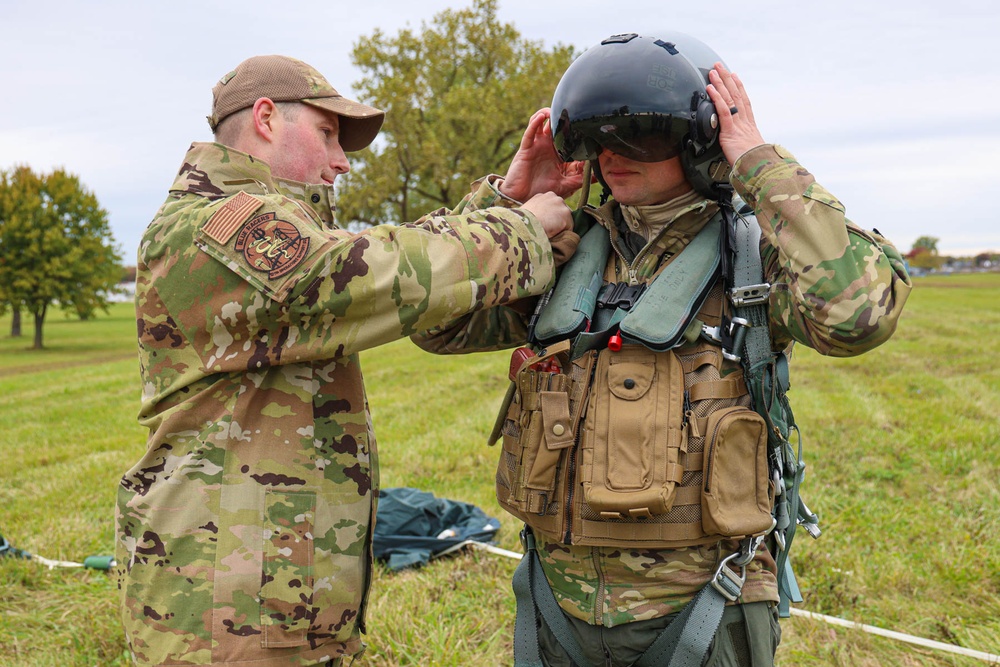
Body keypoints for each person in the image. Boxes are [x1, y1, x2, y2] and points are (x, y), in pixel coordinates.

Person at [413, 32, 912, 666]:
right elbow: (436, 322)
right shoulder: (558, 250)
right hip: (555, 602)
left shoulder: (753, 258)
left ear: (702, 140)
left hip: (701, 605)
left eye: (640, 135)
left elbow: (858, 314)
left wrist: (761, 167)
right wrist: (506, 205)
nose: (613, 155)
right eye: (599, 137)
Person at [114, 54, 580, 666]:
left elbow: (372, 272)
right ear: (264, 119)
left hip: (272, 595)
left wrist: (502, 198)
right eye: (328, 133)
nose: (341, 161)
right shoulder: (211, 226)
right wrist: (517, 228)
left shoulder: (268, 228)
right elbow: (351, 276)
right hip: (224, 614)